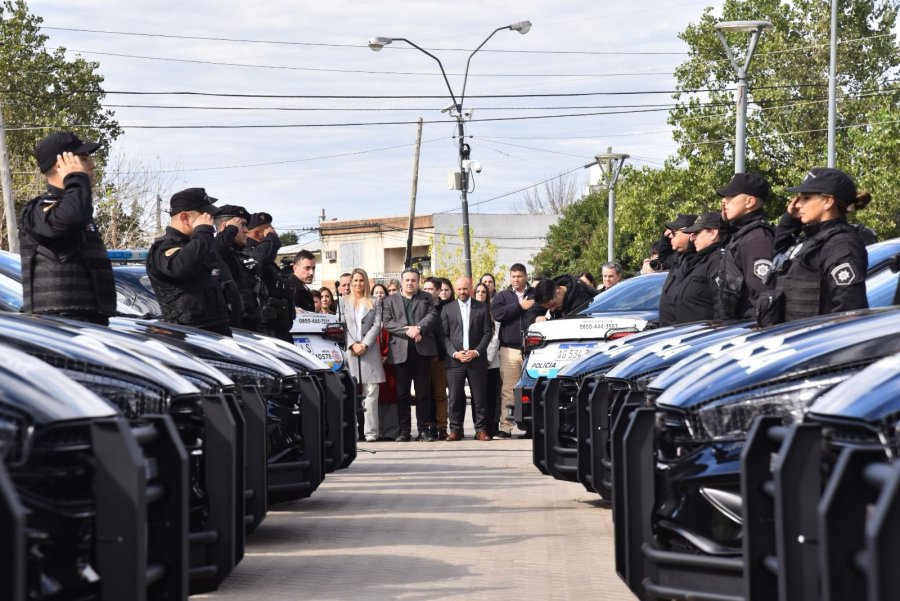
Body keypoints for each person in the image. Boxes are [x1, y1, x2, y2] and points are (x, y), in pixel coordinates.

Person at [19, 131, 116, 325]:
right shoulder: (39, 208)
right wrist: (76, 178)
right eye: (84, 159)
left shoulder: (75, 207)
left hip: (88, 321)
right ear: (61, 164)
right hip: (58, 326)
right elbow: (68, 220)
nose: (92, 165)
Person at [759, 167, 870, 325]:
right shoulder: (812, 238)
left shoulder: (841, 244)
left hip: (818, 344)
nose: (797, 204)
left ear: (828, 201)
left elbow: (849, 310)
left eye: (806, 198)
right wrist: (790, 219)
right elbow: (779, 254)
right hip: (796, 341)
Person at [146, 188, 230, 335]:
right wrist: (203, 231)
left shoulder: (198, 244)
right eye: (205, 216)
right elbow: (181, 267)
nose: (210, 221)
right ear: (185, 217)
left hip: (216, 332)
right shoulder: (164, 248)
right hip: (187, 337)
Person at [383, 268, 439, 442]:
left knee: (423, 393)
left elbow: (433, 315)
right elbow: (388, 323)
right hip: (400, 353)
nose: (410, 283)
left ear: (418, 281)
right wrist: (410, 331)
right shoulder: (389, 300)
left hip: (421, 353)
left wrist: (419, 328)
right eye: (407, 280)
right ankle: (404, 431)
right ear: (402, 281)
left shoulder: (426, 298)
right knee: (402, 395)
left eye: (413, 280)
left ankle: (423, 430)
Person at [716, 173, 775, 319]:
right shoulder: (742, 235)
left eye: (731, 196)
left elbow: (763, 297)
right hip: (738, 329)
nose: (724, 201)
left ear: (750, 202)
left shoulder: (757, 239)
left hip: (749, 331)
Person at [442, 277, 493, 441]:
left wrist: (476, 352)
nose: (462, 292)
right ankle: (456, 430)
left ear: (470, 289)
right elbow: (443, 336)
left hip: (476, 360)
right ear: (455, 290)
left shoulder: (482, 308)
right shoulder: (447, 309)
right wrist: (454, 353)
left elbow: (487, 333)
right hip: (454, 361)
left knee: (479, 398)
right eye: (459, 289)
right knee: (455, 398)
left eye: (465, 289)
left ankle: (481, 430)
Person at [491, 263, 537, 439]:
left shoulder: (535, 294)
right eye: (513, 276)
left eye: (519, 276)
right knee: (508, 390)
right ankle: (506, 427)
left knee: (532, 389)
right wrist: (519, 306)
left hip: (533, 351)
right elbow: (498, 314)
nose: (516, 279)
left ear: (526, 276)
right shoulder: (503, 296)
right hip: (510, 350)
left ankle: (532, 427)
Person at [339, 269, 385, 443]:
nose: (358, 284)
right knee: (350, 393)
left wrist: (365, 344)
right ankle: (352, 432)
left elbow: (377, 325)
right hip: (351, 352)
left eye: (361, 280)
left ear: (366, 282)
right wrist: (352, 344)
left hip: (369, 351)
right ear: (351, 283)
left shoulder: (375, 301)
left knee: (371, 394)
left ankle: (371, 432)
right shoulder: (344, 302)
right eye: (355, 281)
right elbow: (342, 326)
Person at [245, 212, 294, 342]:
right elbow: (258, 259)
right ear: (257, 233)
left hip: (278, 327)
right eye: (270, 230)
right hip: (265, 330)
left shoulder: (267, 255)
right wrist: (271, 238)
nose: (274, 233)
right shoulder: (249, 251)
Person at [213, 204, 260, 330]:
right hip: (232, 327)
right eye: (241, 225)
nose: (246, 230)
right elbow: (214, 252)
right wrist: (228, 233)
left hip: (250, 324)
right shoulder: (216, 252)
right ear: (226, 227)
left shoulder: (242, 254)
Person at [674, 211, 726, 323]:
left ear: (713, 233)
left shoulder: (717, 261)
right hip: (691, 334)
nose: (692, 237)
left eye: (697, 232)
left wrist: (717, 333)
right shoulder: (702, 260)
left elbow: (722, 306)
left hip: (708, 336)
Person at [658, 214, 698, 326]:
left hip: (684, 328)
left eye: (674, 233)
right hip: (670, 327)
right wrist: (665, 237)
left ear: (689, 233)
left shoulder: (696, 258)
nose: (671, 236)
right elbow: (664, 259)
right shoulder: (680, 255)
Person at [422, 277, 450, 439]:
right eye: (424, 289)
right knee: (425, 394)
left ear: (438, 291)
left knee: (440, 394)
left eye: (430, 289)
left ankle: (441, 427)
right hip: (422, 356)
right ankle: (428, 426)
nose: (427, 292)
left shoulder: (446, 308)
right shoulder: (420, 306)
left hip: (440, 356)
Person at [371, 283, 399, 439]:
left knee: (390, 395)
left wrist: (388, 355)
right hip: (372, 361)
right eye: (376, 292)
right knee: (375, 396)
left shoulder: (392, 313)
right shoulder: (369, 312)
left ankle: (391, 431)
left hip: (389, 362)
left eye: (382, 292)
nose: (379, 295)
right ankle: (377, 431)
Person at [475, 282, 502, 437]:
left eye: (483, 292)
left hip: (490, 362)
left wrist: (488, 358)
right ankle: (480, 427)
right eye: (478, 291)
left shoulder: (493, 312)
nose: (481, 294)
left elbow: (495, 337)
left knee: (492, 396)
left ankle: (492, 426)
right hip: (475, 361)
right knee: (479, 397)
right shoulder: (470, 311)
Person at [533, 273, 598, 319]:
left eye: (552, 305)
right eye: (548, 307)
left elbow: (573, 326)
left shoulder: (582, 297)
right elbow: (531, 314)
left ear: (558, 292)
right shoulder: (545, 295)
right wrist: (536, 319)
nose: (552, 310)